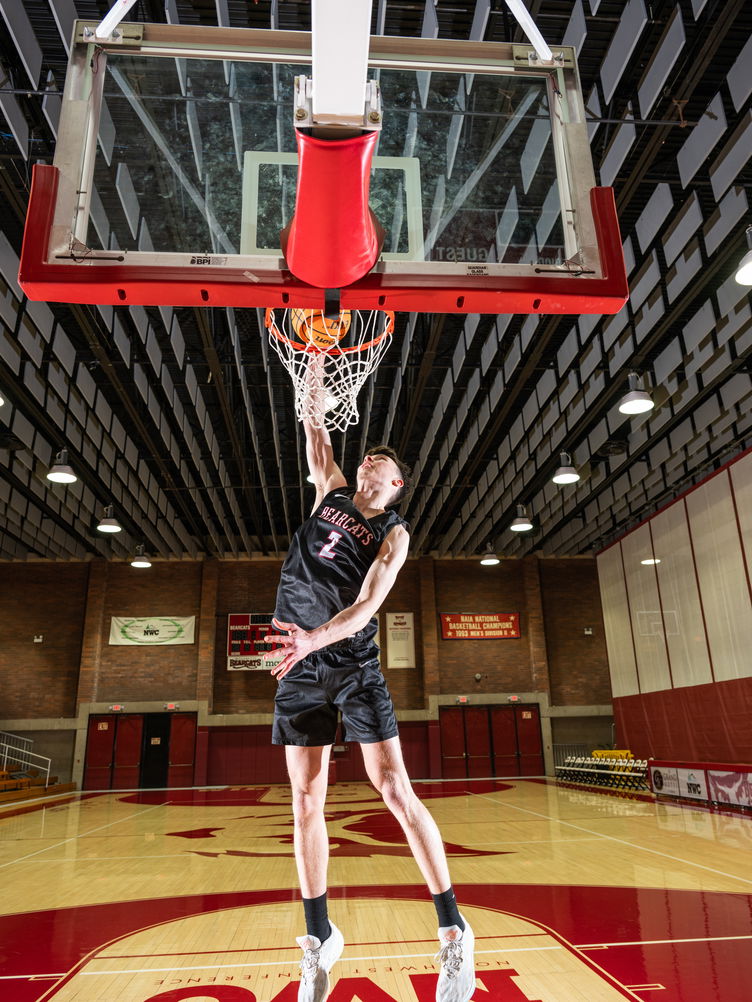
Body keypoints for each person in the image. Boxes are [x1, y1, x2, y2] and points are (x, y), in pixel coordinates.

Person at [263, 358, 475, 1002]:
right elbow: (317, 439)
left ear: (397, 483)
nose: (366, 468)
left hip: (351, 664)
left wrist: (313, 639)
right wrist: (313, 383)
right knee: (304, 802)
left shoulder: (395, 531)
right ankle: (320, 937)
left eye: (378, 467)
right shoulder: (330, 490)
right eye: (363, 464)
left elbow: (365, 608)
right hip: (301, 667)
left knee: (392, 789)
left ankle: (454, 932)